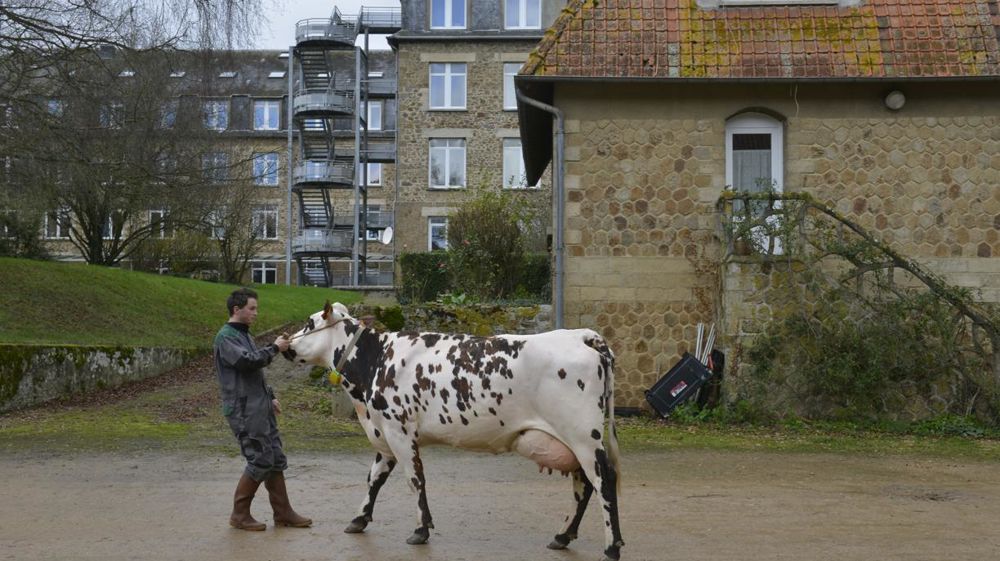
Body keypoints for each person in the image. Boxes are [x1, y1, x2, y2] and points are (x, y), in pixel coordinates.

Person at [214, 287, 311, 531]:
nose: (256, 313)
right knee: (259, 458)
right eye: (252, 308)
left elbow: (254, 371)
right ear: (237, 309)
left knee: (275, 458)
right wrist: (275, 348)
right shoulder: (225, 338)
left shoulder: (243, 334)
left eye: (256, 308)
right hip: (243, 410)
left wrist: (271, 396)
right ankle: (239, 515)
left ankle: (283, 513)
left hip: (259, 405)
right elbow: (247, 362)